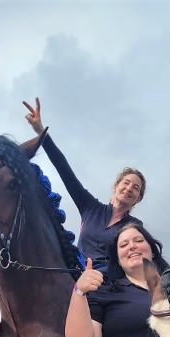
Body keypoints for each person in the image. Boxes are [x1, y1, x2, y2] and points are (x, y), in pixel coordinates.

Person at [23, 97, 146, 271]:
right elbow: (63, 168)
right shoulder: (90, 207)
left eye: (135, 188)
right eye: (126, 183)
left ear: (138, 199)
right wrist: (41, 131)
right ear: (116, 186)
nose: (129, 188)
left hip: (110, 282)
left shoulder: (134, 225)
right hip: (77, 274)